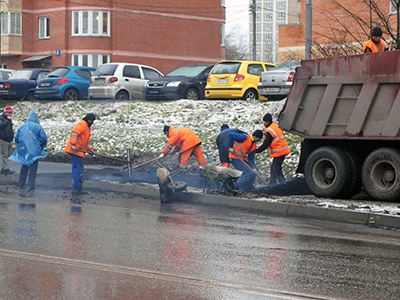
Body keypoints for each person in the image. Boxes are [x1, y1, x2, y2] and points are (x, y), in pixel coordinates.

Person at [9, 110, 48, 197]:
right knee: (33, 169)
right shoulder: (38, 127)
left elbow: (16, 138)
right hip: (35, 151)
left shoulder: (22, 126)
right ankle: (31, 185)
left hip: (24, 150)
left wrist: (20, 147)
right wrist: (42, 146)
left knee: (24, 167)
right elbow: (43, 138)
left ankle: (21, 183)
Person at [64, 113, 96, 196]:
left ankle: (77, 188)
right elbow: (74, 133)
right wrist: (73, 144)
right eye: (91, 120)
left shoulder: (87, 128)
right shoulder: (82, 124)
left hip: (79, 150)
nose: (92, 122)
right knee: (78, 170)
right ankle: (76, 189)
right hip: (76, 150)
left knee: (78, 170)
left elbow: (83, 141)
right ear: (88, 119)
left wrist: (89, 149)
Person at [256, 113, 291, 187]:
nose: (264, 123)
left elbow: (266, 144)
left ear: (267, 121)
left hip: (279, 151)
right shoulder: (275, 126)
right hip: (283, 150)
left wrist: (257, 150)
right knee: (273, 168)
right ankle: (272, 183)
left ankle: (283, 184)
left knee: (277, 169)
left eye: (264, 121)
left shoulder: (269, 131)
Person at [0, 105, 15, 175]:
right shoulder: (1, 118)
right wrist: (7, 120)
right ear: (5, 112)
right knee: (4, 155)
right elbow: (1, 126)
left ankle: (3, 168)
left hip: (9, 140)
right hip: (3, 140)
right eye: (8, 112)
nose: (10, 114)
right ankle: (6, 169)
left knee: (8, 155)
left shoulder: (8, 119)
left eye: (10, 113)